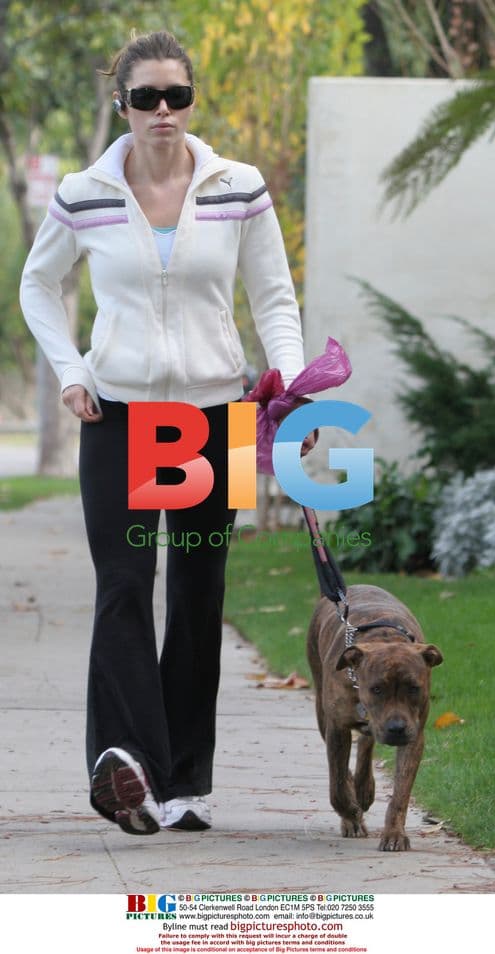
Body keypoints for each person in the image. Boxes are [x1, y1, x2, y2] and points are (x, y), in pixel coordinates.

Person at [20, 29, 312, 836]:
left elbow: (274, 300)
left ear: (191, 101)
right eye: (144, 96)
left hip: (213, 420)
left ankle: (186, 781)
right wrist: (72, 372)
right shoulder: (83, 192)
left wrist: (283, 383)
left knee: (196, 593)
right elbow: (39, 287)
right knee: (122, 586)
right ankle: (127, 766)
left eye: (175, 96)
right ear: (121, 102)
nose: (161, 110)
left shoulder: (239, 187)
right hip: (116, 411)